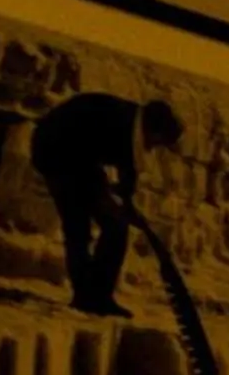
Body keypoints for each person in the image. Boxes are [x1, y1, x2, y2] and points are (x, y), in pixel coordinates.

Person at [29, 92, 183, 317]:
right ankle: (87, 298)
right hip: (56, 150)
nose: (156, 147)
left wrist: (127, 206)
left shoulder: (133, 127)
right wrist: (103, 196)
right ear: (154, 130)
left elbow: (127, 173)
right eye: (159, 142)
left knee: (116, 227)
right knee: (78, 226)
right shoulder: (117, 121)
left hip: (79, 157)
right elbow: (82, 156)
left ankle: (98, 296)